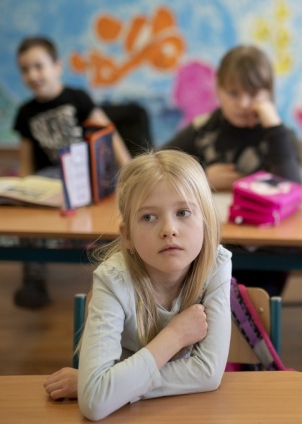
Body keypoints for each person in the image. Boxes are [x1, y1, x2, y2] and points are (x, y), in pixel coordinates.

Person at [42, 150, 232, 421]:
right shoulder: (113, 279)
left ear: (206, 222)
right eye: (148, 217)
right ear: (127, 236)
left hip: (187, 411)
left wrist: (116, 388)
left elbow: (208, 373)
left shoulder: (216, 264)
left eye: (183, 212)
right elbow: (95, 402)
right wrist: (175, 336)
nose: (169, 229)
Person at [164, 44, 301, 296]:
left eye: (253, 94)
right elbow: (158, 170)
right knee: (199, 294)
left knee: (251, 303)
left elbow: (292, 188)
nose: (243, 103)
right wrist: (203, 178)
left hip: (267, 250)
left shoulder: (280, 136)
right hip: (209, 247)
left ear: (268, 93)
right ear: (218, 90)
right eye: (234, 93)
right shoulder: (204, 130)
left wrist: (273, 126)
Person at [12, 36, 131, 309]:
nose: (32, 75)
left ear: (57, 66)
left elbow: (108, 133)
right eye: (25, 69)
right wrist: (24, 191)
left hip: (87, 174)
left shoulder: (78, 99)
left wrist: (129, 169)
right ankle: (33, 279)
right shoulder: (25, 113)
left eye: (38, 66)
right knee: (29, 219)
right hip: (52, 179)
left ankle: (121, 278)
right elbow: (26, 161)